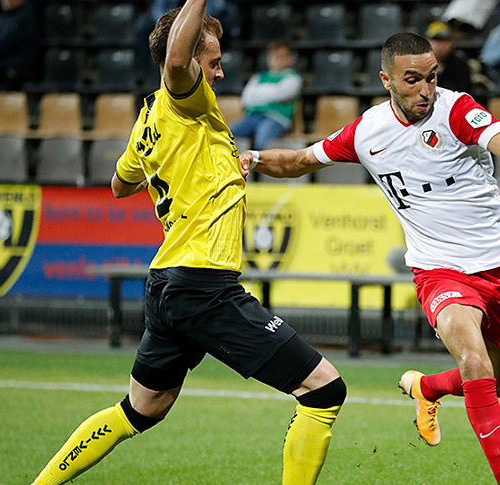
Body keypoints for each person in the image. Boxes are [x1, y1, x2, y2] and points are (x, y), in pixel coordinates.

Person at [240, 32, 500, 485]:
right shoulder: (367, 132)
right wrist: (253, 156)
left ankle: (427, 387)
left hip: (498, 265)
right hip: (439, 270)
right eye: (413, 80)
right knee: (474, 361)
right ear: (386, 80)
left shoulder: (458, 111)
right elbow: (296, 161)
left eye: (431, 77)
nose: (426, 90)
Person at [29, 2, 345, 484]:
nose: (218, 74)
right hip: (203, 286)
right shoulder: (182, 96)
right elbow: (177, 64)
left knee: (140, 410)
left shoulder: (151, 119)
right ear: (190, 59)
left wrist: (181, 162)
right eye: (213, 62)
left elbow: (119, 184)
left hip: (168, 283)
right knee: (324, 389)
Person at [231, 40, 302, 149]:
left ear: (290, 58)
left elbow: (281, 94)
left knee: (263, 141)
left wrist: (258, 93)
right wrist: (270, 92)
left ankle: (258, 165)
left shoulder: (293, 78)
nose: (277, 59)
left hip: (276, 118)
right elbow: (246, 98)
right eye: (274, 56)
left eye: (282, 56)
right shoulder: (258, 77)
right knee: (227, 136)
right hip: (253, 116)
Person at [0, 0, 38, 93]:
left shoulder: (25, 17)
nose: (5, 1)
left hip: (15, 66)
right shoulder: (3, 15)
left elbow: (1, 46)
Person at [426, 20, 473, 95]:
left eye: (444, 41)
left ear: (451, 43)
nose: (440, 45)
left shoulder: (460, 66)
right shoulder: (420, 66)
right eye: (436, 40)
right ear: (427, 41)